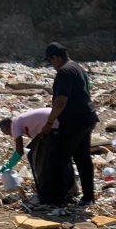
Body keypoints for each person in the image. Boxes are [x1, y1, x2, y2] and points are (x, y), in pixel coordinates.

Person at [41, 42, 99, 206]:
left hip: (74, 121)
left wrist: (49, 123)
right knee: (83, 158)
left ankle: (58, 199)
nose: (51, 65)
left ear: (56, 57)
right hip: (88, 117)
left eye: (50, 61)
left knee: (57, 158)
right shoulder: (77, 67)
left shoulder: (64, 72)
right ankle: (88, 196)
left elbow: (60, 101)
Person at [0, 108, 71, 202]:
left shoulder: (15, 124)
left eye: (8, 133)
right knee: (59, 159)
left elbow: (20, 151)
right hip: (63, 121)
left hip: (54, 126)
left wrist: (10, 164)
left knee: (40, 160)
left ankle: (48, 191)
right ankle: (68, 189)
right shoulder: (22, 120)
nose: (11, 135)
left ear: (8, 125)